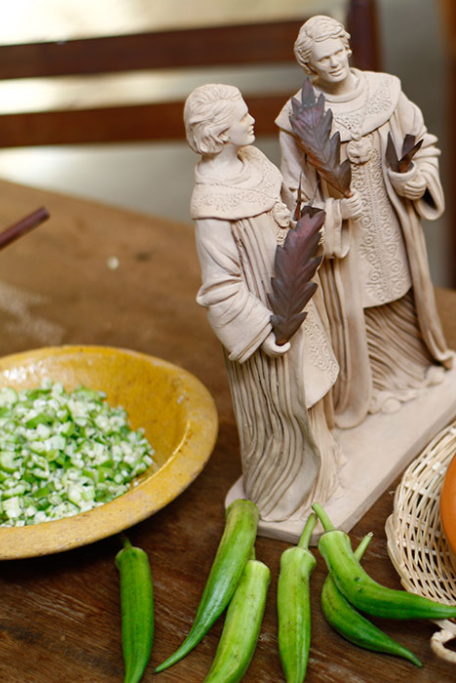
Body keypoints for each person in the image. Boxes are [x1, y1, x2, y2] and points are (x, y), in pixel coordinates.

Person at [276, 15, 453, 429]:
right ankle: (370, 389)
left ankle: (413, 367)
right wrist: (334, 212)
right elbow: (293, 193)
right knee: (358, 306)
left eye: (338, 52)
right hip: (346, 237)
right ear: (309, 66)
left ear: (348, 47)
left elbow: (422, 144)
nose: (335, 62)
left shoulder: (385, 92)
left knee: (402, 289)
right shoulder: (298, 117)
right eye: (323, 59)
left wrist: (414, 179)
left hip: (392, 221)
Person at [185, 83, 342, 521]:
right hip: (269, 322)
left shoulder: (254, 160)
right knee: (285, 407)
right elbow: (220, 286)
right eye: (242, 116)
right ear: (219, 133)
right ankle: (289, 487)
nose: (252, 119)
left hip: (296, 295)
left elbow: (287, 210)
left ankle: (326, 469)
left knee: (314, 389)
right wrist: (262, 330)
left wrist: (312, 223)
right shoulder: (211, 205)